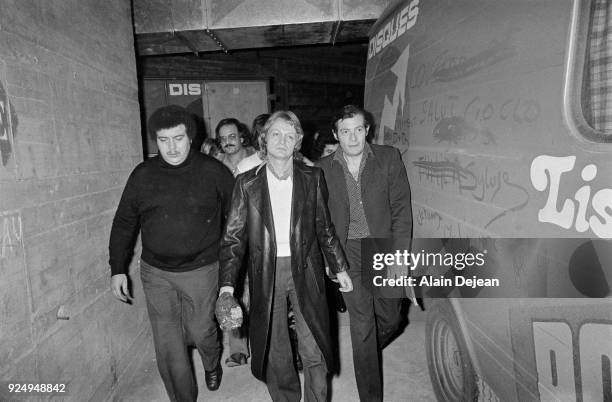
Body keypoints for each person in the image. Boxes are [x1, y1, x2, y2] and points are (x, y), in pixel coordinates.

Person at [218, 110, 353, 402]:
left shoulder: (312, 177)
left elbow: (324, 226)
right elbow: (232, 239)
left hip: (306, 268)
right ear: (264, 139)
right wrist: (227, 286)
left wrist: (339, 266)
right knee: (276, 348)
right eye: (276, 134)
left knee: (314, 344)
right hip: (266, 270)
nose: (282, 140)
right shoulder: (246, 183)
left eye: (290, 135)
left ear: (297, 142)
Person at [109, 105, 234, 401]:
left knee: (202, 330)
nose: (172, 147)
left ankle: (211, 361)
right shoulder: (143, 175)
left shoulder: (213, 171)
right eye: (164, 141)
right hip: (156, 273)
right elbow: (124, 223)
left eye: (178, 138)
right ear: (156, 141)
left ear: (189, 137)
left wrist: (233, 266)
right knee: (168, 342)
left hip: (202, 269)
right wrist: (117, 268)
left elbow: (237, 219)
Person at [316, 104, 413, 402]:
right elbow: (320, 221)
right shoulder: (321, 168)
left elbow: (401, 209)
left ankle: (367, 352)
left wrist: (398, 256)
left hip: (382, 250)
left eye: (358, 129)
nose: (353, 138)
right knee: (362, 328)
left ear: (367, 129)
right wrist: (332, 262)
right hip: (347, 253)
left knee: (393, 318)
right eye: (345, 132)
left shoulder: (388, 158)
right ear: (336, 134)